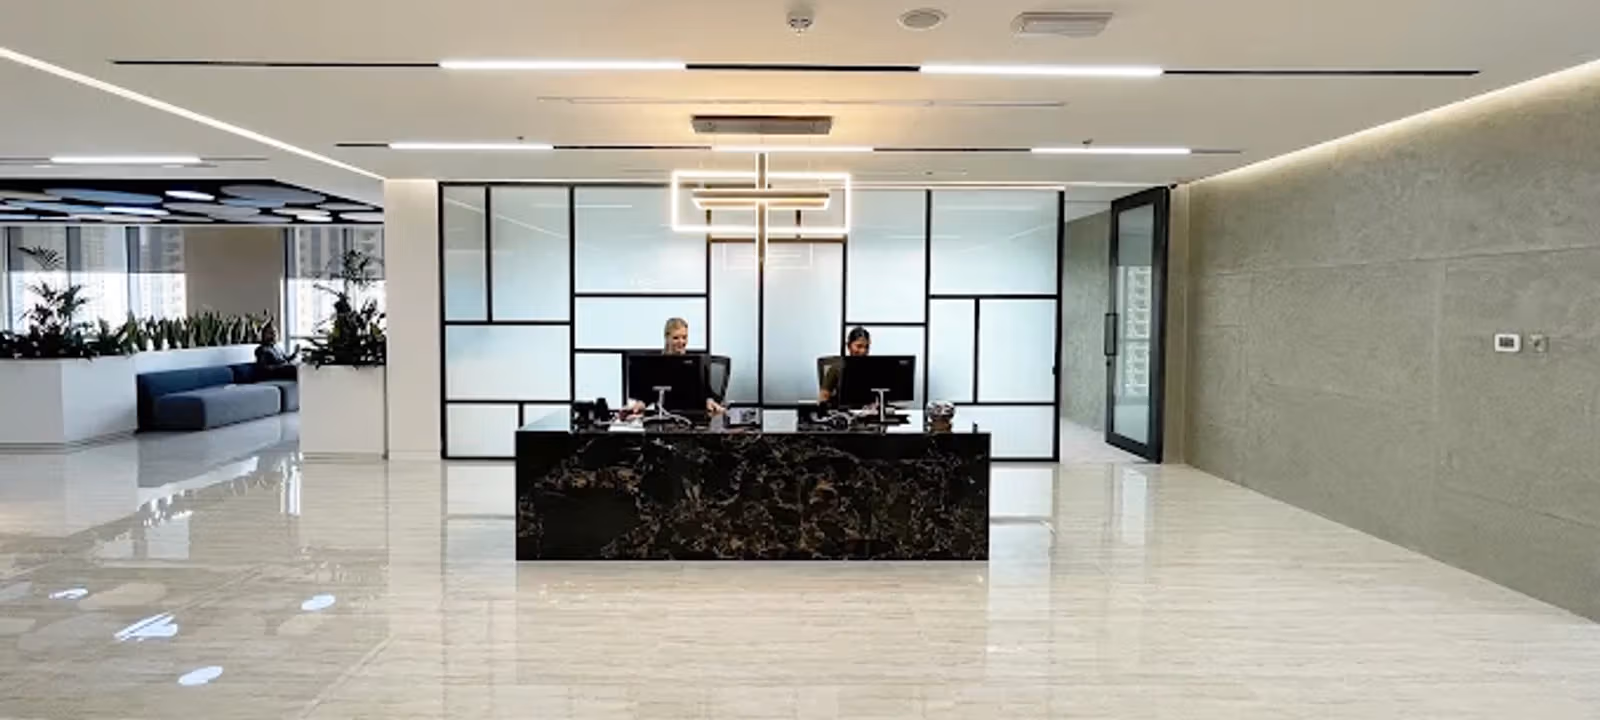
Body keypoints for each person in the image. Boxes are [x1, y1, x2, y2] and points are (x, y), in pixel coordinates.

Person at [622, 317, 725, 417]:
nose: (681, 342)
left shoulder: (695, 363)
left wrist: (710, 401)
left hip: (693, 418)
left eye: (684, 337)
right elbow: (649, 395)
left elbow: (706, 393)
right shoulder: (656, 364)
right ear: (667, 338)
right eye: (676, 338)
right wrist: (638, 406)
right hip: (665, 418)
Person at [818, 326, 871, 404]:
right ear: (849, 346)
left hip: (869, 409)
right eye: (859, 346)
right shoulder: (837, 368)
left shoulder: (873, 368)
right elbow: (823, 397)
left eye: (866, 347)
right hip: (844, 409)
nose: (863, 351)